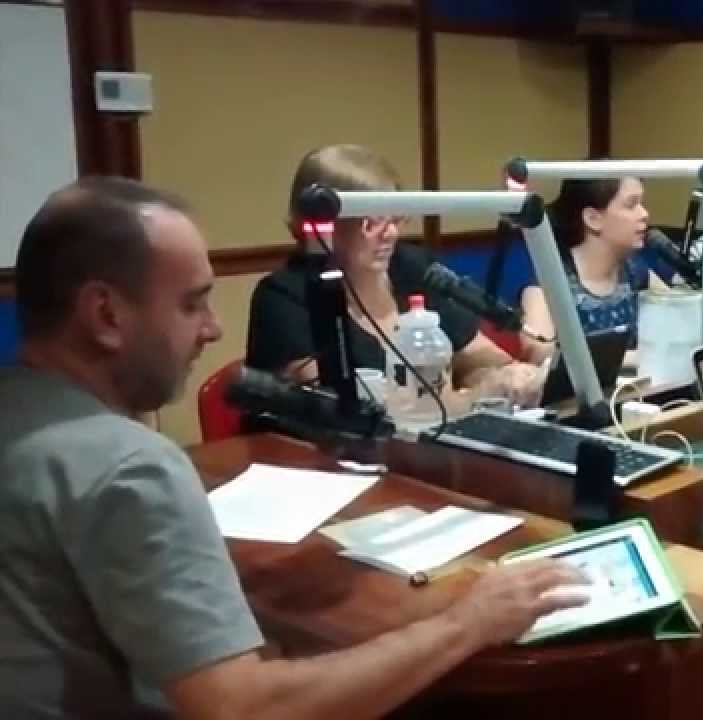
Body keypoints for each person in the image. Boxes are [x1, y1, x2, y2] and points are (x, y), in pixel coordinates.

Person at [0, 177, 587, 719]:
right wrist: (470, 622)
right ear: (105, 314)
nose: (213, 329)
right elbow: (243, 710)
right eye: (191, 303)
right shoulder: (129, 467)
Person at [246, 144, 544, 409]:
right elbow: (342, 407)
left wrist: (503, 378)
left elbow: (478, 354)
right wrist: (473, 397)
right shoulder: (283, 298)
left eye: (397, 218)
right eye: (371, 223)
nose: (390, 233)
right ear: (323, 227)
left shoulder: (410, 266)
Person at [519, 176, 664, 363]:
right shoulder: (548, 285)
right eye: (631, 205)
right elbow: (540, 354)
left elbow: (680, 323)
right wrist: (643, 358)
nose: (644, 214)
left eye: (641, 204)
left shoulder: (637, 273)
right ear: (593, 219)